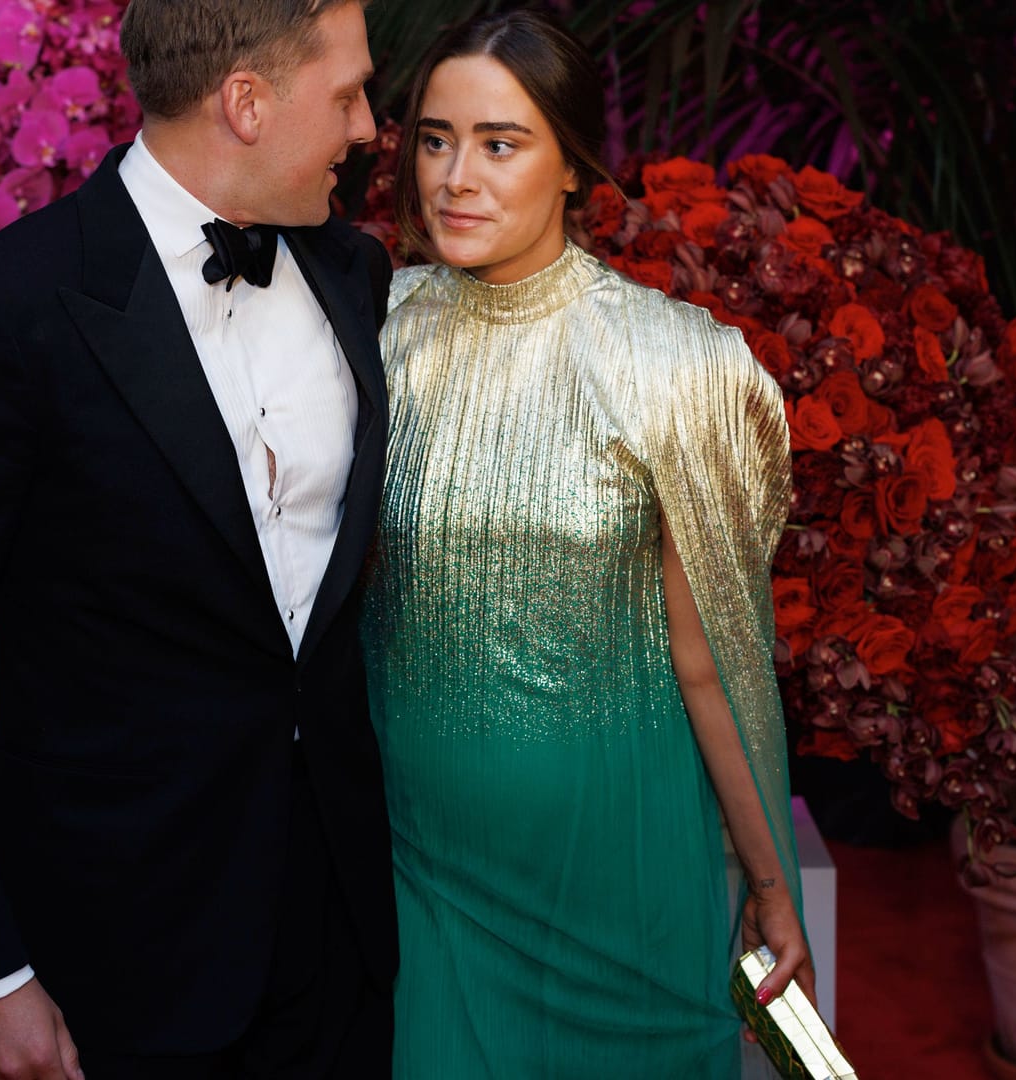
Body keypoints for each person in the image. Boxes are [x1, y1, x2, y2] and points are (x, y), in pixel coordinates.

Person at [0, 2, 396, 1076]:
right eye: (347, 93)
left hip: (345, 935)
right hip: (124, 959)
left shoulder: (352, 276)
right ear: (247, 103)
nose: (368, 126)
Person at [363, 10, 815, 1077]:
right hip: (424, 871)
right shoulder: (373, 335)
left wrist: (767, 879)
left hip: (625, 874)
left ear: (572, 162)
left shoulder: (675, 366)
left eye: (499, 143)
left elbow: (716, 664)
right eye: (434, 138)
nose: (455, 176)